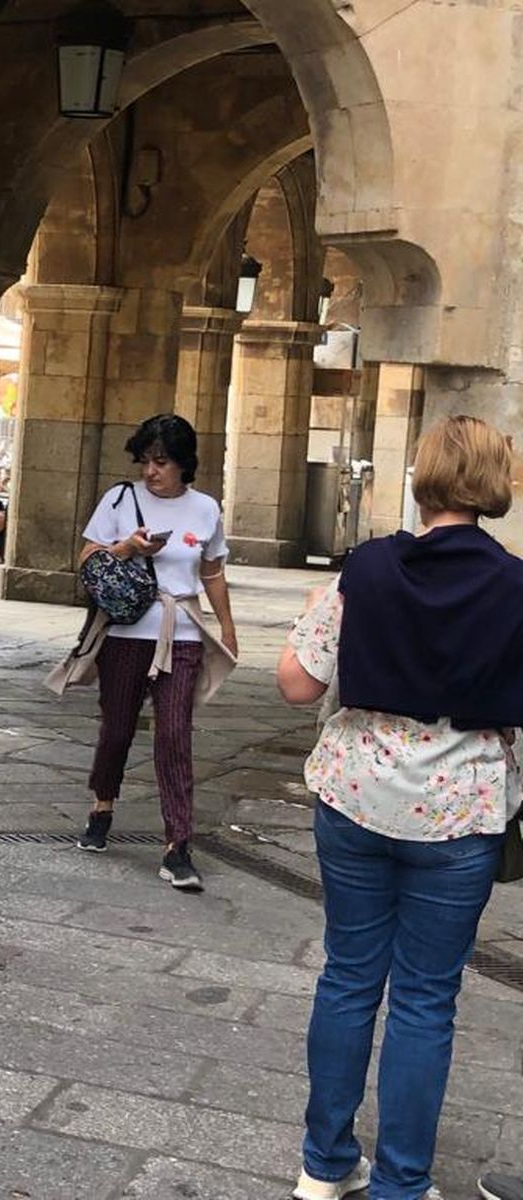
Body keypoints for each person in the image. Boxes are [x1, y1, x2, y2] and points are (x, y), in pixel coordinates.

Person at [278, 415, 521, 1200]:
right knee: (425, 997)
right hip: (459, 814)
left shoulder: (368, 569)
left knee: (349, 976)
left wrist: (319, 612)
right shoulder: (517, 585)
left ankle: (323, 1168)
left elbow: (297, 683)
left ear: (420, 477)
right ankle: (401, 1184)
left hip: (354, 797)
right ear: (496, 485)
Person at [53, 413, 237, 892]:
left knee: (175, 734)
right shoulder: (119, 499)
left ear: (183, 464)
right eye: (145, 461)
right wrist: (126, 547)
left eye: (161, 462)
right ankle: (103, 803)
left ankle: (178, 845)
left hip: (183, 633)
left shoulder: (205, 509)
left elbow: (213, 572)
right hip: (126, 632)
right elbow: (86, 560)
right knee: (116, 729)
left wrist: (228, 628)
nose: (151, 471)